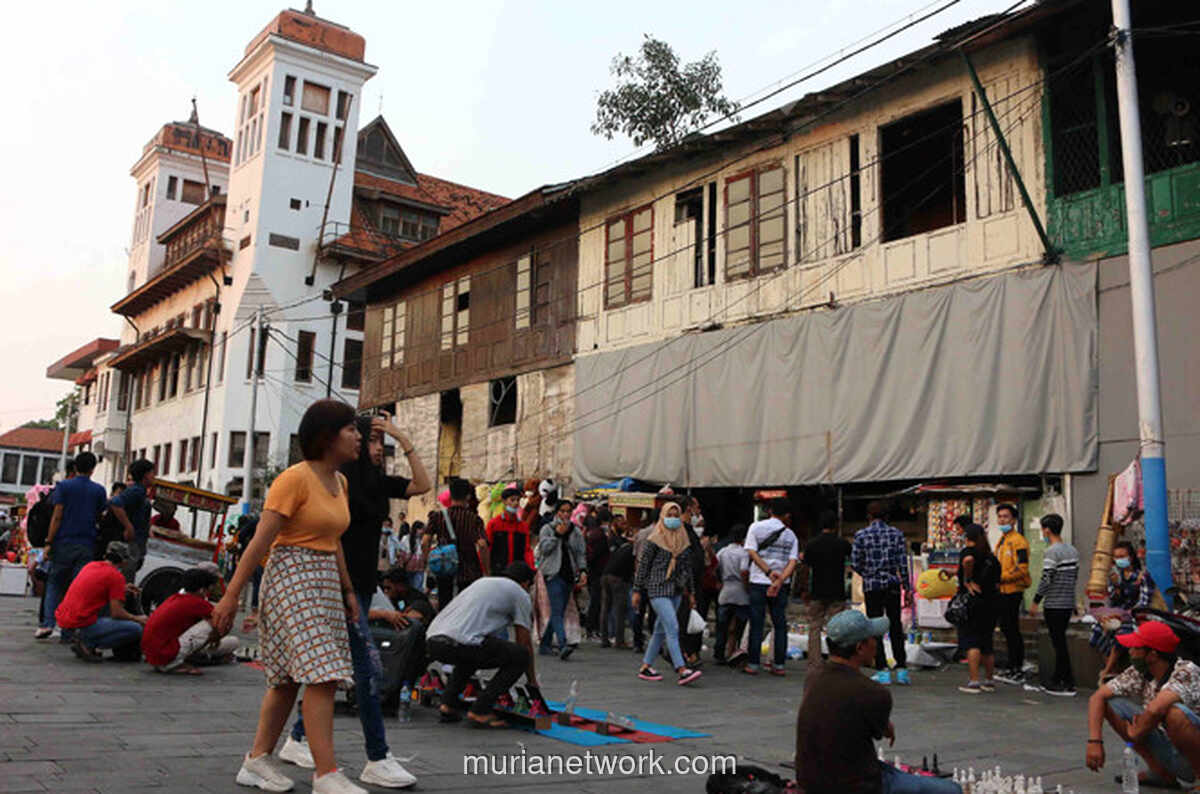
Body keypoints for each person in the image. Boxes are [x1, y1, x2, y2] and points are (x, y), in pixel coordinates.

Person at [211, 399, 372, 794]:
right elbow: (258, 544)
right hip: (290, 577)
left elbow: (334, 542)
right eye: (351, 429)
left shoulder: (341, 482)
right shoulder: (293, 480)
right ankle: (327, 774)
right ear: (327, 436)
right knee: (323, 673)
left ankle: (256, 761)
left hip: (323, 581)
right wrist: (230, 597)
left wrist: (348, 589)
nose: (359, 437)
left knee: (286, 679)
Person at [283, 411, 429, 790]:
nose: (376, 449)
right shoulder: (344, 482)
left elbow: (423, 483)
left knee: (338, 671)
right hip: (338, 586)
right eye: (370, 440)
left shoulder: (377, 483)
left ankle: (297, 738)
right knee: (364, 672)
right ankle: (376, 756)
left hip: (360, 587)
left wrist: (400, 435)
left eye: (382, 443)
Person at [795, 610, 963, 794]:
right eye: (874, 638)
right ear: (860, 647)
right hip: (856, 785)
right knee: (952, 790)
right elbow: (880, 730)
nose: (877, 644)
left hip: (809, 780)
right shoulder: (872, 692)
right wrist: (886, 726)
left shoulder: (813, 677)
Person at [425, 561, 542, 728]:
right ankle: (481, 710)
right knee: (520, 655)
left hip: (434, 641)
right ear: (525, 583)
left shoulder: (483, 582)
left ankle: (448, 704)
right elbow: (524, 642)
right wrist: (532, 681)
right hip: (458, 643)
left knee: (472, 653)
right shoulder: (520, 593)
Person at [1086, 621, 1200, 789]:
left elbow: (1156, 709)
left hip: (1194, 749)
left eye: (1135, 648)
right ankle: (1161, 773)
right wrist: (1094, 741)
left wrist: (1135, 731)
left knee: (1174, 714)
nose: (1130, 652)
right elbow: (1097, 697)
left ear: (1152, 655)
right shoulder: (1140, 671)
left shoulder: (1186, 670)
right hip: (1170, 748)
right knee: (1112, 704)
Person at [36, 451, 109, 639]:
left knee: (55, 582)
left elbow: (57, 515)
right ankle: (68, 629)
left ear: (75, 467)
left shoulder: (64, 487)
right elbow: (100, 516)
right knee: (77, 587)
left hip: (63, 541)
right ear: (93, 469)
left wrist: (48, 542)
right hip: (86, 543)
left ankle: (48, 623)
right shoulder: (99, 490)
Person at [632, 502, 702, 686]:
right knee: (673, 627)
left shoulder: (683, 539)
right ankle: (681, 668)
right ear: (663, 516)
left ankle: (646, 666)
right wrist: (637, 590)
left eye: (675, 515)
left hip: (676, 589)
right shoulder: (654, 539)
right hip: (657, 588)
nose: (673, 518)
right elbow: (643, 567)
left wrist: (691, 593)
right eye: (669, 515)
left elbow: (687, 570)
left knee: (660, 630)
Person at [851, 501, 911, 686]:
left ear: (869, 516)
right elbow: (903, 562)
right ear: (887, 516)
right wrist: (907, 587)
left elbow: (855, 562)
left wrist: (868, 574)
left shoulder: (861, 535)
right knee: (895, 626)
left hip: (872, 586)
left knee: (875, 626)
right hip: (892, 584)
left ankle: (882, 669)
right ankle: (901, 669)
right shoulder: (897, 534)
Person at [55, 540, 146, 662]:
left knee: (106, 607)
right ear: (123, 561)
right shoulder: (116, 576)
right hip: (82, 622)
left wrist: (122, 588)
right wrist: (138, 619)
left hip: (66, 619)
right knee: (136, 629)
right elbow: (117, 613)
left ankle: (83, 638)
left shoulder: (91, 565)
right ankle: (88, 642)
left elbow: (97, 587)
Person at [142, 565, 238, 674]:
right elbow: (224, 622)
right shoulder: (196, 603)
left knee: (232, 641)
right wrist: (217, 634)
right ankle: (171, 663)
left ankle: (176, 659)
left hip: (153, 652)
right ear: (202, 589)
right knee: (213, 625)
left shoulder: (174, 598)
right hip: (164, 654)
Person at [743, 498, 799, 676]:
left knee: (757, 622)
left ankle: (753, 664)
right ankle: (779, 665)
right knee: (779, 623)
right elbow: (793, 562)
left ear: (769, 511)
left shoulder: (756, 527)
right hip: (781, 585)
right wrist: (780, 579)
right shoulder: (791, 535)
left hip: (759, 580)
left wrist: (768, 573)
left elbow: (751, 552)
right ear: (787, 515)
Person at [1092, 541, 1158, 684]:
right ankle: (1113, 668)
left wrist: (1125, 614)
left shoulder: (1142, 576)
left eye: (1122, 556)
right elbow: (1112, 600)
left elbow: (1144, 603)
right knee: (1098, 628)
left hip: (1136, 615)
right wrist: (1115, 587)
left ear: (1131, 557)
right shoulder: (1115, 576)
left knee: (1122, 633)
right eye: (1116, 557)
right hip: (1118, 612)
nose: (1119, 559)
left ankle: (1107, 670)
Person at [1028, 513, 1079, 696]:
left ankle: (1063, 680)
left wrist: (1035, 601)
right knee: (1060, 642)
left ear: (1047, 530)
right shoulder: (1072, 550)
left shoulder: (1052, 552)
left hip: (1054, 603)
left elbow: (1046, 578)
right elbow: (1074, 577)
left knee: (1058, 643)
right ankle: (1061, 678)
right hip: (1066, 603)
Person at [425, 477, 488, 609]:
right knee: (466, 609)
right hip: (469, 572)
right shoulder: (474, 519)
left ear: (451, 495)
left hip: (444, 570)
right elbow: (482, 545)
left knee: (445, 608)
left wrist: (427, 563)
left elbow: (425, 541)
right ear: (468, 496)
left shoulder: (437, 516)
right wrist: (487, 571)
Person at [535, 498, 586, 660]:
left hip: (568, 574)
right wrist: (557, 534)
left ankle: (545, 644)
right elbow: (544, 549)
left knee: (560, 610)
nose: (565, 515)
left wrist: (583, 571)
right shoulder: (547, 529)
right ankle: (563, 644)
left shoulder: (575, 531)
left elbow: (580, 553)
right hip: (552, 573)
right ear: (557, 512)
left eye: (568, 511)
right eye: (562, 511)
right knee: (556, 610)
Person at [802, 509, 851, 671]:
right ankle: (836, 660)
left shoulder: (812, 544)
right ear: (836, 525)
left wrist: (804, 590)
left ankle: (814, 663)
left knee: (814, 627)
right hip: (837, 591)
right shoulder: (843, 544)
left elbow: (806, 569)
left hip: (817, 590)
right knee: (837, 628)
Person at [956, 524, 1000, 695]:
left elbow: (968, 561)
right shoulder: (991, 557)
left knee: (972, 641)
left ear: (967, 537)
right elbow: (996, 582)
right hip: (990, 602)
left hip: (973, 603)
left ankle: (974, 681)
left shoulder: (969, 552)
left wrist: (967, 580)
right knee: (987, 643)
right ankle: (989, 680)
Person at [993, 503, 1032, 686]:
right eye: (1000, 517)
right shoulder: (1002, 540)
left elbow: (1022, 568)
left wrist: (1001, 578)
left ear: (1014, 520)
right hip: (1001, 591)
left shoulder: (1019, 541)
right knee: (1007, 629)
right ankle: (1012, 665)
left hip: (1012, 591)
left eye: (1006, 517)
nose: (1002, 520)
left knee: (1012, 630)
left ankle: (1017, 667)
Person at [109, 459, 156, 575]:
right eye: (152, 473)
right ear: (145, 475)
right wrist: (129, 527)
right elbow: (115, 503)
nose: (154, 476)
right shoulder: (137, 491)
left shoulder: (141, 491)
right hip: (131, 544)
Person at [714, 523, 750, 666]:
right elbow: (744, 572)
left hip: (725, 590)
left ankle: (719, 653)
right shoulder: (744, 553)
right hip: (740, 591)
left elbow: (715, 567)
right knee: (740, 626)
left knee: (722, 625)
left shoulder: (723, 551)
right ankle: (737, 653)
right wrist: (747, 588)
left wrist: (719, 581)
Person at [600, 525, 635, 648]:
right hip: (618, 578)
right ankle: (619, 641)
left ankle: (604, 638)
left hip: (606, 575)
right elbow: (633, 568)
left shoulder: (622, 548)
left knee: (606, 608)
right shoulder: (633, 550)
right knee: (620, 610)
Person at [486, 486, 534, 573]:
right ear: (504, 502)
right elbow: (488, 547)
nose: (515, 503)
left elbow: (527, 550)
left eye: (517, 500)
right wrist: (486, 569)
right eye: (512, 500)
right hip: (498, 570)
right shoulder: (494, 524)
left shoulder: (523, 526)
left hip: (517, 572)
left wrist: (531, 567)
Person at [584, 509, 612, 639]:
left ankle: (591, 628)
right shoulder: (600, 535)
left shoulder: (594, 533)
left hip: (594, 571)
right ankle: (592, 628)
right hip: (598, 571)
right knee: (597, 601)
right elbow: (596, 555)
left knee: (596, 601)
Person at [396, 520, 426, 592]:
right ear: (416, 529)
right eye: (422, 529)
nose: (423, 531)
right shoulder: (406, 538)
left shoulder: (421, 539)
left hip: (419, 567)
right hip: (409, 567)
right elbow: (401, 552)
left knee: (417, 589)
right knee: (408, 589)